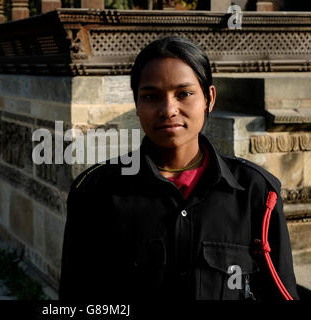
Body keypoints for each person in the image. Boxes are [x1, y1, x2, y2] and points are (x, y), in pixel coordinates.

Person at [58, 36, 299, 301]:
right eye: (151, 96)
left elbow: (280, 293)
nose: (168, 109)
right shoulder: (96, 193)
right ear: (137, 104)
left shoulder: (256, 193)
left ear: (209, 98)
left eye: (184, 94)